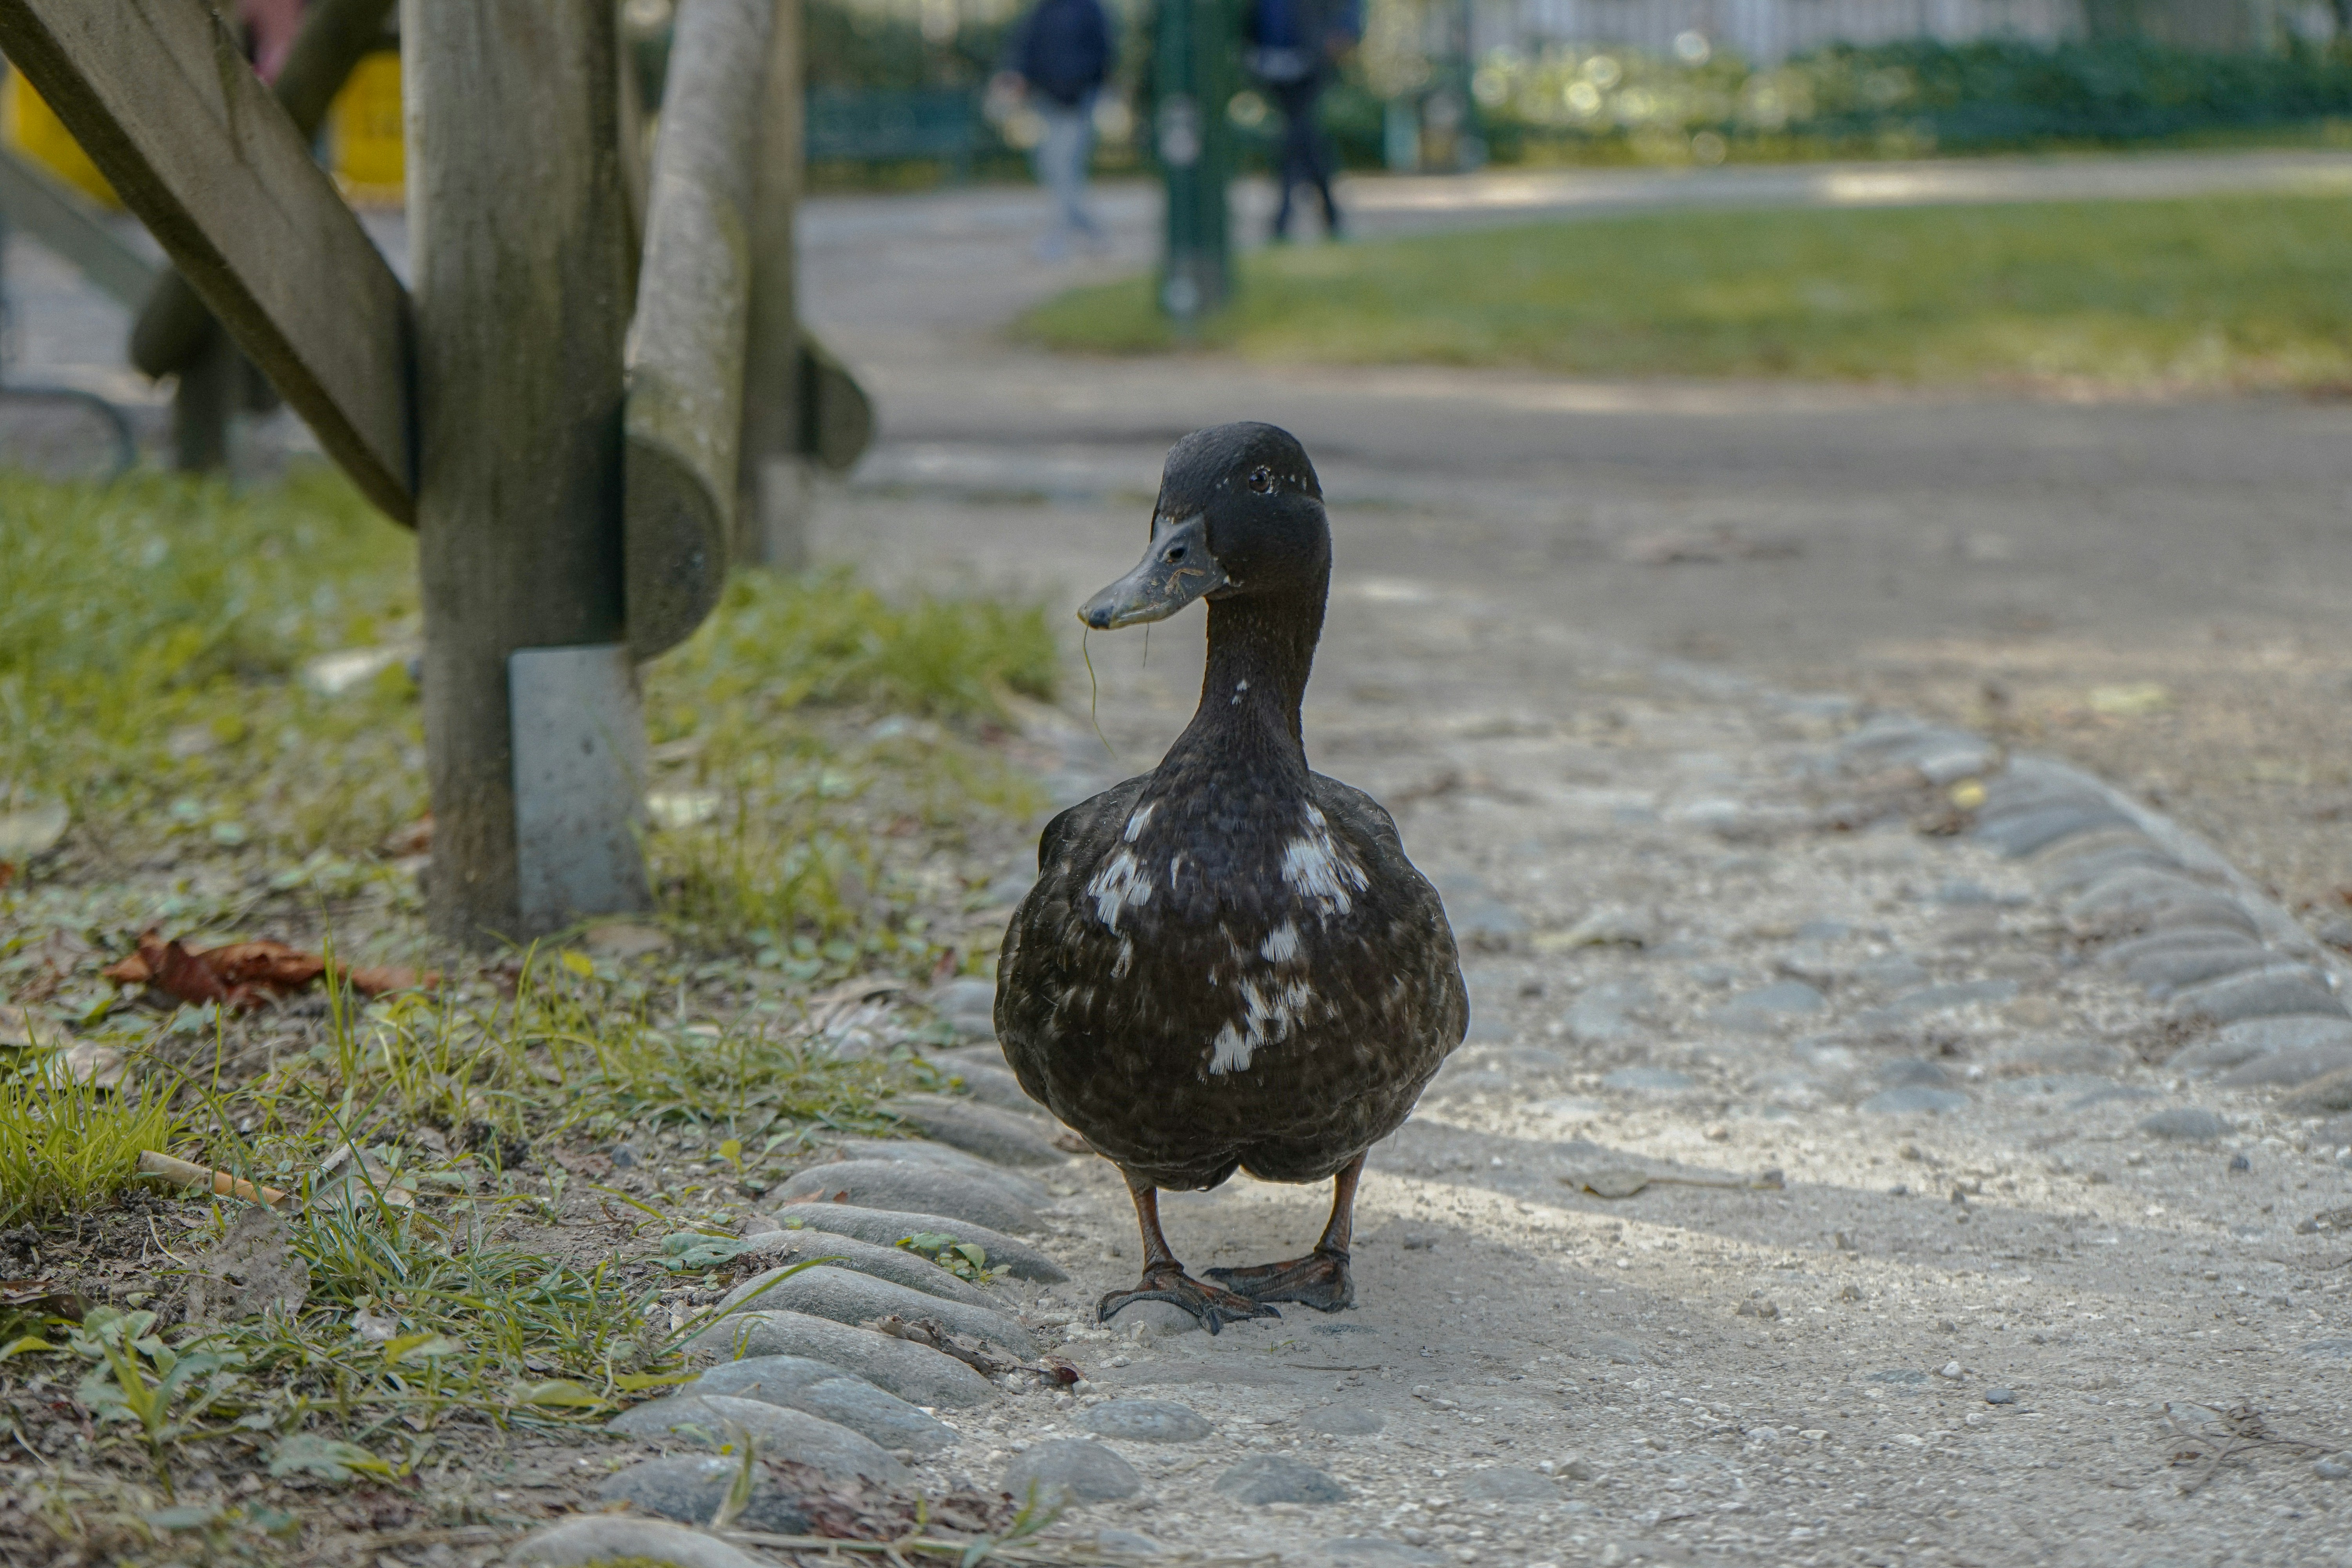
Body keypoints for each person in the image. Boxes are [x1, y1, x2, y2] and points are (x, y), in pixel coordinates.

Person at [997, 0, 1117, 259]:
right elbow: (1026, 48)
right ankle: (1092, 231)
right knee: (1053, 167)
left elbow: (1103, 53)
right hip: (1048, 101)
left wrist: (1082, 87)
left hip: (1077, 102)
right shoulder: (1045, 10)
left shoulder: (1089, 9)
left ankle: (1059, 238)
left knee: (1062, 166)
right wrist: (1017, 77)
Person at [1245, 0, 1358, 241]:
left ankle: (1284, 219)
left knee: (1296, 134)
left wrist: (1344, 32)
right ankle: (1330, 216)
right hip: (1272, 63)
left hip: (1310, 61)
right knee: (1303, 136)